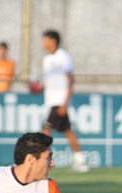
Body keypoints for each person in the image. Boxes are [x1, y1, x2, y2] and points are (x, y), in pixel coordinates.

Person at [41, 30, 89, 172]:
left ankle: (43, 160)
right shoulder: (47, 60)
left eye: (45, 40)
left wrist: (65, 102)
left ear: (53, 41)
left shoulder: (63, 57)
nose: (43, 43)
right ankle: (80, 160)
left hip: (59, 101)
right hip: (51, 101)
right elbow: (49, 81)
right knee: (68, 130)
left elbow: (70, 79)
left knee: (46, 129)